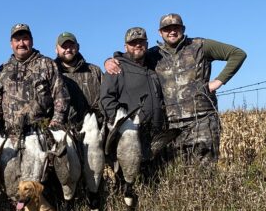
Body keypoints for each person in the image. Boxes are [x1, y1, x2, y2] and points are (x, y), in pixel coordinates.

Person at [105, 13, 246, 162]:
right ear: (160, 32)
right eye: (167, 28)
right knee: (179, 172)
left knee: (206, 174)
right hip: (172, 127)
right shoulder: (154, 54)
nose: (172, 31)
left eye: (176, 27)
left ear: (183, 29)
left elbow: (237, 54)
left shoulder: (200, 45)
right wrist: (110, 61)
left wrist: (218, 81)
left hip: (202, 120)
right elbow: (130, 57)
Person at [100, 26, 165, 159]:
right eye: (133, 43)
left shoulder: (153, 68)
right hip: (130, 137)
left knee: (157, 175)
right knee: (132, 177)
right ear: (125, 47)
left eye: (141, 42)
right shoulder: (116, 69)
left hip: (155, 135)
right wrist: (124, 125)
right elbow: (106, 100)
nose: (137, 45)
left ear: (146, 45)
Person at [0, 23, 69, 136]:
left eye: (25, 39)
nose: (21, 43)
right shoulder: (3, 70)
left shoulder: (47, 64)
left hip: (41, 134)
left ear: (32, 41)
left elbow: (61, 96)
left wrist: (55, 123)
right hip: (11, 137)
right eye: (17, 40)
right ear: (11, 44)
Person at [54, 31, 104, 127]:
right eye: (64, 46)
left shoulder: (94, 71)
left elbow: (106, 98)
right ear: (56, 50)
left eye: (71, 46)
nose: (68, 49)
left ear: (78, 47)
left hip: (93, 129)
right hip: (63, 131)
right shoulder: (52, 73)